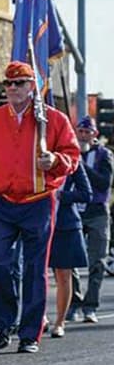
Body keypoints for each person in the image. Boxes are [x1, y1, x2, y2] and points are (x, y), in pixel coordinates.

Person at [0, 61, 80, 354]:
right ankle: (5, 320)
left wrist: (54, 161)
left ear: (33, 86)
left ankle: (30, 333)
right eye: (9, 83)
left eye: (20, 83)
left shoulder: (53, 120)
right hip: (3, 202)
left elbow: (72, 156)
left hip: (38, 201)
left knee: (35, 268)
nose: (13, 88)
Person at [73, 116, 111, 322]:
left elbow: (104, 183)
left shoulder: (104, 155)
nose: (84, 135)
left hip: (97, 212)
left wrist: (81, 166)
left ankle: (91, 305)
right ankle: (74, 301)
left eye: (88, 132)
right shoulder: (69, 153)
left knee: (97, 261)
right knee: (69, 261)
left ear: (95, 134)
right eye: (80, 131)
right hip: (75, 212)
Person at [50, 161, 91, 339]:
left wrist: (61, 195)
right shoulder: (33, 155)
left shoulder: (73, 162)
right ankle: (38, 317)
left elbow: (86, 194)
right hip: (36, 222)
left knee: (63, 274)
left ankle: (60, 321)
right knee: (34, 272)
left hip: (65, 224)